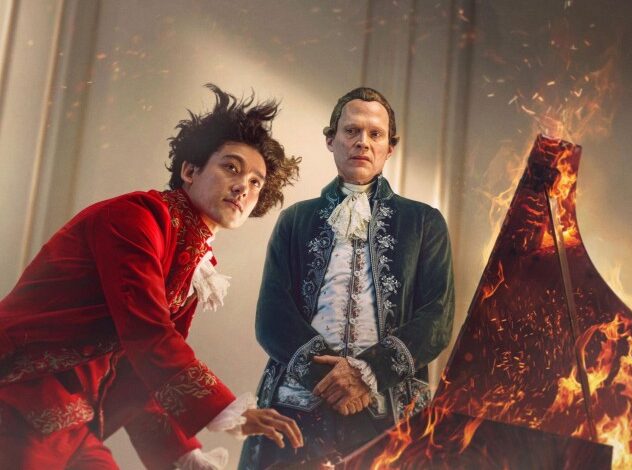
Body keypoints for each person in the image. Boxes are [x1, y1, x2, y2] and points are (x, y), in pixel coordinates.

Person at [0, 85, 304, 470]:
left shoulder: (194, 258)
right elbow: (146, 332)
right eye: (232, 167)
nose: (244, 186)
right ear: (189, 171)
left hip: (75, 420)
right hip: (16, 393)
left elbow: (139, 373)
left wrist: (185, 455)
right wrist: (227, 410)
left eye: (257, 182)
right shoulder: (136, 217)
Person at [240, 87, 455, 468]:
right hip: (296, 408)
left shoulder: (425, 222)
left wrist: (367, 373)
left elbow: (437, 318)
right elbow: (272, 316)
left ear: (390, 147)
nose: (362, 142)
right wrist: (328, 379)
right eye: (351, 131)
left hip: (389, 413)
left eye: (375, 134)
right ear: (331, 139)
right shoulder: (295, 219)